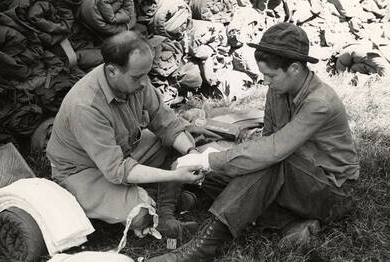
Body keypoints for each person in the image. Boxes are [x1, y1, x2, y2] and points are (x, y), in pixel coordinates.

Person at [148, 22, 360, 262]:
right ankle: (289, 222)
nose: (266, 82)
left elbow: (273, 150)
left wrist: (211, 159)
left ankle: (203, 247)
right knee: (221, 171)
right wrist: (212, 161)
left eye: (270, 75)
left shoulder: (320, 102)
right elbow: (267, 139)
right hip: (293, 180)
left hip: (332, 193)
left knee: (265, 163)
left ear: (294, 69)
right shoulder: (278, 91)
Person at [46, 31, 206, 237]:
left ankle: (164, 211)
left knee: (176, 145)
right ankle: (161, 195)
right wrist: (175, 175)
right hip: (82, 171)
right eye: (138, 77)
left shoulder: (137, 80)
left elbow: (165, 121)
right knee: (141, 214)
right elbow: (117, 170)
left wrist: (192, 153)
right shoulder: (85, 106)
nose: (144, 82)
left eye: (146, 74)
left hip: (123, 151)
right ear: (112, 71)